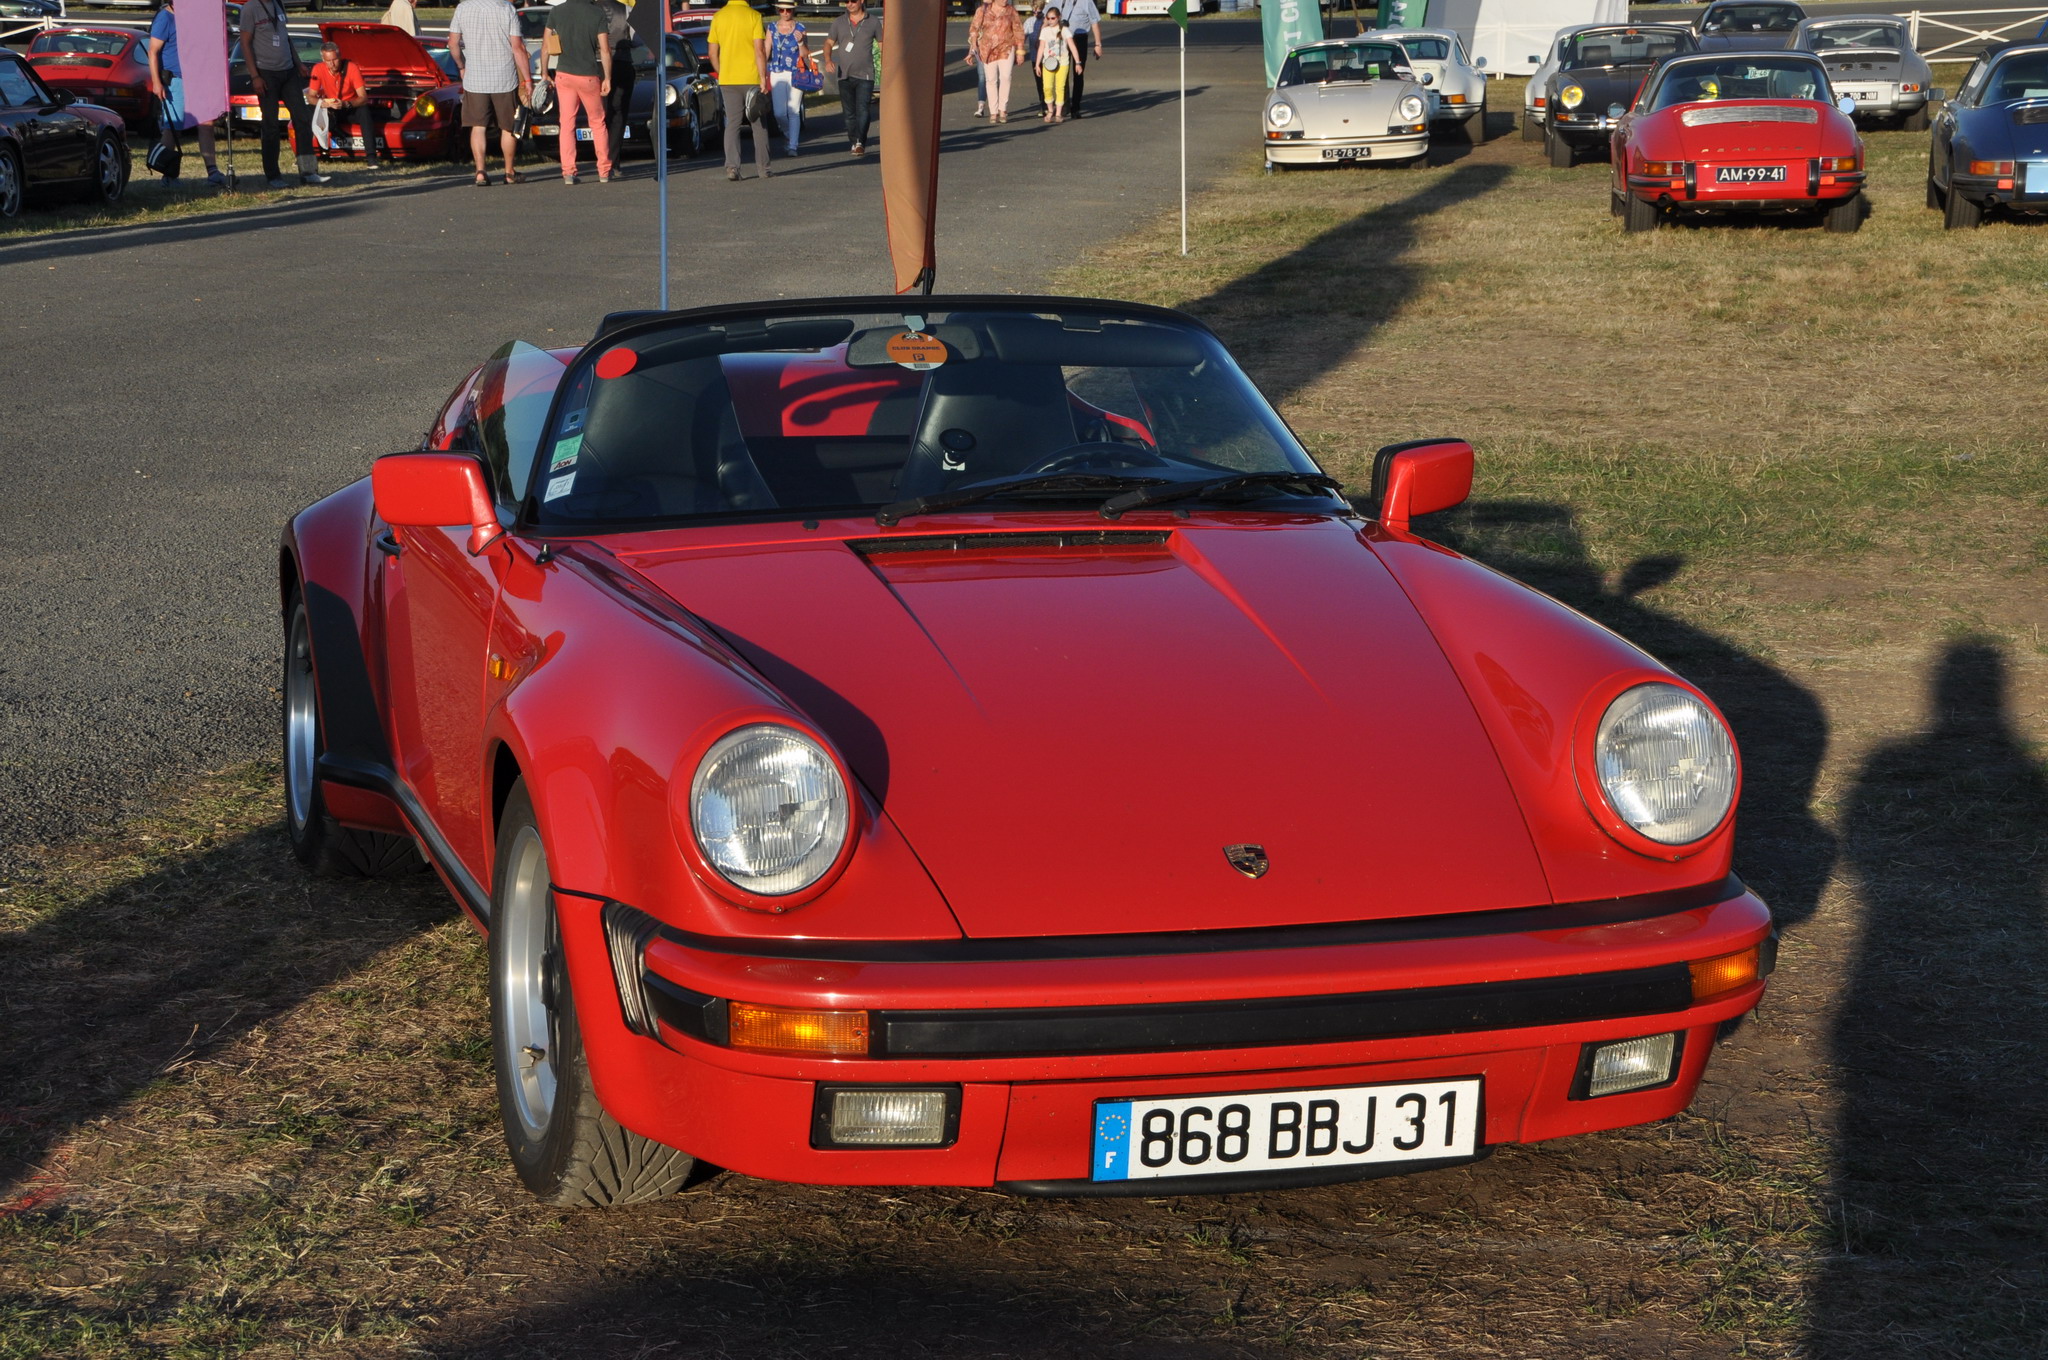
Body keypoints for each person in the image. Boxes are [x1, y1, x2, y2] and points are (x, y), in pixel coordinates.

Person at [241, 0, 325, 187]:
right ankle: (273, 176)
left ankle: (308, 171)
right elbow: (245, 43)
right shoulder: (250, 8)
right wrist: (255, 76)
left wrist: (298, 63)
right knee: (270, 125)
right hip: (266, 72)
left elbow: (285, 37)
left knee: (302, 119)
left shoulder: (278, 3)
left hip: (288, 71)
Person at [448, 0, 532, 185]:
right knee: (508, 127)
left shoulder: (463, 8)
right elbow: (517, 47)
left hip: (475, 78)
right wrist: (527, 79)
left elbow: (453, 44)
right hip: (504, 78)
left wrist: (461, 66)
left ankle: (480, 171)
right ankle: (509, 172)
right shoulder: (507, 8)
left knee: (478, 126)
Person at [145, 0, 224, 187]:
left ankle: (212, 171)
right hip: (176, 81)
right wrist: (156, 83)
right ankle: (168, 174)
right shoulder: (165, 18)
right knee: (173, 128)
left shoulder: (191, 17)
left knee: (206, 123)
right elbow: (153, 51)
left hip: (198, 78)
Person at [546, 0, 615, 184]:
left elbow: (546, 45)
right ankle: (604, 170)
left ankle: (568, 171)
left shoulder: (557, 11)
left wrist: (544, 72)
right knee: (597, 122)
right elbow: (605, 50)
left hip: (564, 74)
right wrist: (607, 77)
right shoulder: (597, 13)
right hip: (588, 75)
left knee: (567, 123)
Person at [708, 0, 770, 179]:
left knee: (733, 123)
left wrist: (722, 72)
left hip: (728, 79)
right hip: (751, 78)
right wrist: (763, 78)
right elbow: (759, 50)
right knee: (758, 123)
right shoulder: (753, 16)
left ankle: (732, 167)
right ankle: (764, 168)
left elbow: (712, 53)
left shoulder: (718, 17)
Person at [307, 40, 381, 168]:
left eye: (335, 60)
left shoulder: (352, 68)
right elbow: (310, 96)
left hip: (349, 107)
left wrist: (346, 104)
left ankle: (371, 157)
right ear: (323, 60)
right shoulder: (318, 69)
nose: (332, 64)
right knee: (308, 110)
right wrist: (323, 103)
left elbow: (363, 97)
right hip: (331, 109)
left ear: (340, 56)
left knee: (364, 111)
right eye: (328, 61)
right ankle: (307, 154)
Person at [827, 0, 882, 156]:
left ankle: (860, 142)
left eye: (853, 1)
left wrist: (887, 64)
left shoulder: (873, 21)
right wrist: (828, 59)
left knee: (863, 109)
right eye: (846, 1)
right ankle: (854, 140)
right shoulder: (839, 22)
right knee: (849, 113)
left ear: (861, 1)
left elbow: (882, 44)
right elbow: (828, 43)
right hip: (844, 75)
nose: (849, 4)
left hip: (865, 74)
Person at [966, 0, 1023, 123]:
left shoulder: (1011, 11)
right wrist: (974, 45)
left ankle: (1003, 109)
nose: (1005, 0)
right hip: (987, 49)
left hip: (1006, 48)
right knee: (991, 80)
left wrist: (1020, 51)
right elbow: (974, 28)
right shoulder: (982, 10)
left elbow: (1018, 31)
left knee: (1006, 77)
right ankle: (993, 111)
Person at [597, 0, 637, 171]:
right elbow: (637, 40)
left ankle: (601, 158)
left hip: (596, 63)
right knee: (618, 113)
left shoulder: (590, 9)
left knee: (598, 113)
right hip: (622, 61)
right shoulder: (626, 10)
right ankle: (613, 160)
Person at [765, 3, 808, 155]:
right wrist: (762, 71)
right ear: (778, 10)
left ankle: (793, 146)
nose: (785, 13)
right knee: (779, 112)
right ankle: (789, 134)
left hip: (796, 72)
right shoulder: (771, 27)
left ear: (793, 10)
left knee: (794, 110)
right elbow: (766, 51)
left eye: (788, 9)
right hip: (777, 72)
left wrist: (801, 42)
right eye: (782, 10)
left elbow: (805, 54)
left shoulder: (800, 28)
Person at [1035, 6, 1080, 123]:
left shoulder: (1065, 30)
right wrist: (1037, 64)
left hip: (1062, 63)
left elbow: (1072, 47)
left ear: (1058, 17)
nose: (1050, 21)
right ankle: (1050, 110)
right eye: (1048, 18)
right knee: (1047, 87)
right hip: (1048, 63)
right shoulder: (1045, 31)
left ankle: (1059, 113)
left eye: (1053, 18)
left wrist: (1078, 62)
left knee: (1060, 88)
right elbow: (1041, 48)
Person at [1060, 0, 1101, 117]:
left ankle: (1075, 107)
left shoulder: (1087, 1)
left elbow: (1094, 22)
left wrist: (1098, 44)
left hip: (1079, 38)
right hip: (1063, 38)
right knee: (1062, 72)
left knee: (1078, 73)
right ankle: (1064, 105)